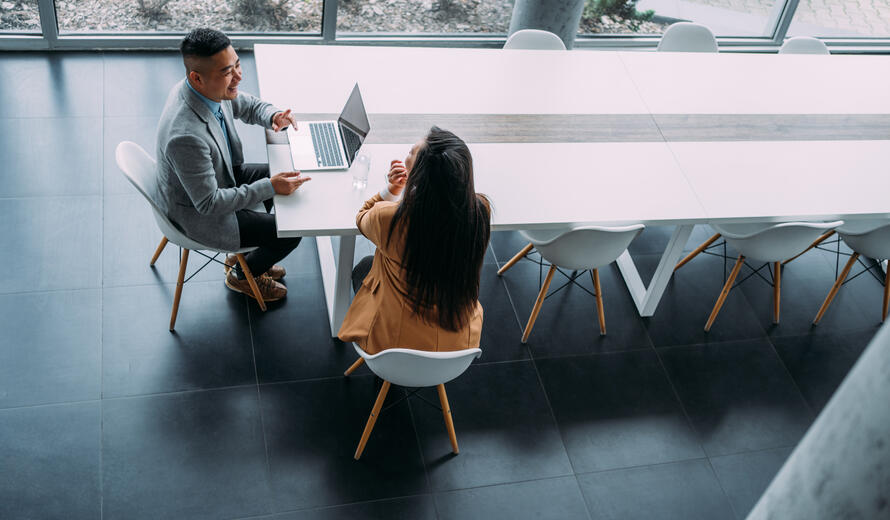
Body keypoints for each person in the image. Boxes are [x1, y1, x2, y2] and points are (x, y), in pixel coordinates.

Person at [156, 28, 310, 302]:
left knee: (287, 176)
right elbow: (209, 204)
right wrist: (269, 187)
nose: (239, 76)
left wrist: (272, 114)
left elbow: (246, 104)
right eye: (228, 72)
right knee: (291, 231)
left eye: (237, 64)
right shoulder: (185, 136)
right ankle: (242, 274)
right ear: (197, 78)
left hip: (222, 176)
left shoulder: (203, 90)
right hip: (201, 215)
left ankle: (251, 259)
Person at [338, 127, 491, 354]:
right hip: (457, 345)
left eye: (411, 152)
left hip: (391, 345)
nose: (406, 154)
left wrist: (393, 190)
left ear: (420, 174)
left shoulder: (389, 218)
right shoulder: (479, 212)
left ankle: (391, 378)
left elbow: (362, 218)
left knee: (364, 267)